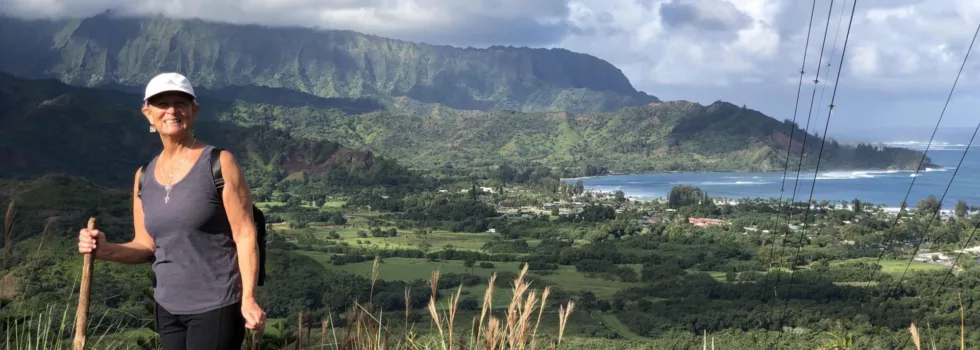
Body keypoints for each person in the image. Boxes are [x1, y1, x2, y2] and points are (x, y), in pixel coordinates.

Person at [77, 72, 266, 349]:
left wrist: (248, 297)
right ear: (147, 113)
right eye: (161, 103)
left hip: (217, 304)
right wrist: (104, 250)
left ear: (194, 110)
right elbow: (146, 246)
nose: (171, 110)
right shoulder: (143, 175)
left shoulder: (219, 163)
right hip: (167, 306)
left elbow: (245, 234)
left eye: (180, 102)